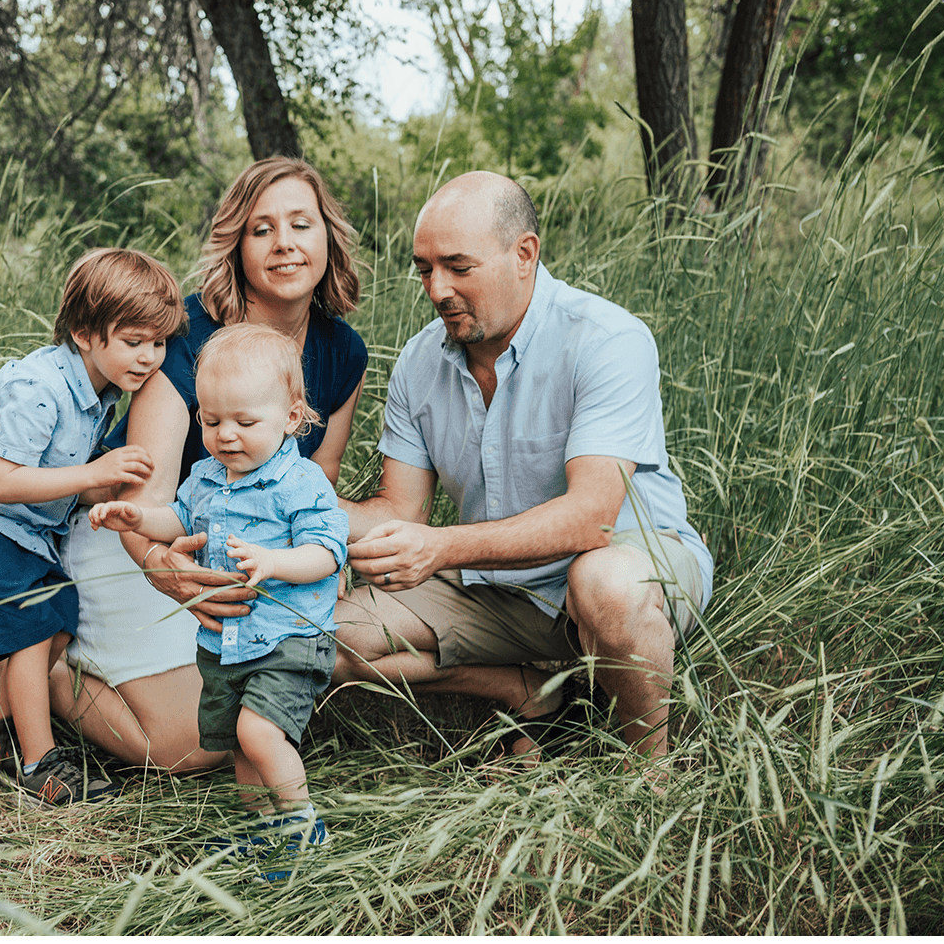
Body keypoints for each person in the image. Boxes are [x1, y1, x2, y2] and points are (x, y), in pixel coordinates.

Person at [334, 171, 713, 768]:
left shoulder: (606, 339)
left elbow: (592, 521)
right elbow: (398, 513)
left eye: (458, 268)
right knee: (323, 639)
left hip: (621, 563)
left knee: (606, 585)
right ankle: (531, 692)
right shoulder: (417, 362)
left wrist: (440, 548)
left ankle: (648, 777)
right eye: (424, 269)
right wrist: (296, 503)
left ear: (524, 254)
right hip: (497, 588)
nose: (437, 289)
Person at [53, 157, 366, 773]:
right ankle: (39, 668)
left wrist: (323, 553)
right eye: (261, 229)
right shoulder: (188, 334)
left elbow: (318, 479)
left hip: (241, 555)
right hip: (129, 534)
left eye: (301, 224)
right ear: (238, 247)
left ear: (327, 236)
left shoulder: (341, 350)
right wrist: (163, 568)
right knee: (188, 747)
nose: (284, 244)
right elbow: (145, 502)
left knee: (254, 707)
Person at [0, 247, 187, 804]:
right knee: (33, 626)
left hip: (17, 525)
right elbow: (6, 482)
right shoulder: (40, 387)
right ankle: (41, 764)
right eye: (133, 341)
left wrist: (107, 490)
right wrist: (94, 470)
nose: (149, 358)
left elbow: (57, 477)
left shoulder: (102, 390)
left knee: (61, 621)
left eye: (158, 344)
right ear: (87, 334)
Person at [88, 324, 345, 854]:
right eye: (211, 420)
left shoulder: (301, 484)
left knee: (259, 733)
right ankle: (264, 835)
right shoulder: (206, 476)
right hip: (227, 642)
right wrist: (137, 516)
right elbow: (178, 520)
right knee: (237, 746)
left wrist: (276, 561)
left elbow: (327, 551)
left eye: (245, 422)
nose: (226, 434)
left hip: (288, 636)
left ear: (292, 418)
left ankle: (303, 829)